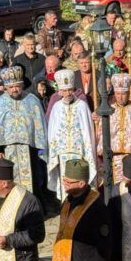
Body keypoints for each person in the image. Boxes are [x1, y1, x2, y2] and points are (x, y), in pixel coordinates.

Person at [51, 159, 112, 261]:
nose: (65, 184)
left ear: (82, 183)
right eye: (64, 180)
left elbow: (104, 245)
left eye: (69, 182)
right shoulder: (68, 200)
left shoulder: (96, 207)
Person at [0, 65, 48, 194]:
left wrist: (41, 150)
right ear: (6, 87)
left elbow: (40, 127)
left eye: (17, 86)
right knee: (8, 183)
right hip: (6, 150)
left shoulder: (33, 101)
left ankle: (32, 209)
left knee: (33, 183)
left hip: (30, 149)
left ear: (22, 85)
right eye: (11, 87)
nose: (14, 89)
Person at [47, 69, 97, 200]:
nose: (67, 93)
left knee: (79, 183)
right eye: (64, 91)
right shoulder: (56, 107)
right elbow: (52, 133)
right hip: (62, 154)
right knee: (66, 185)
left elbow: (87, 131)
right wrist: (53, 154)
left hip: (79, 153)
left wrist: (88, 151)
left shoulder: (82, 106)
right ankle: (66, 208)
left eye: (69, 90)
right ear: (59, 91)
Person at [99, 73, 131, 184]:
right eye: (118, 93)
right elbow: (101, 134)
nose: (121, 97)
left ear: (128, 93)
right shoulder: (108, 111)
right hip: (112, 159)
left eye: (124, 93)